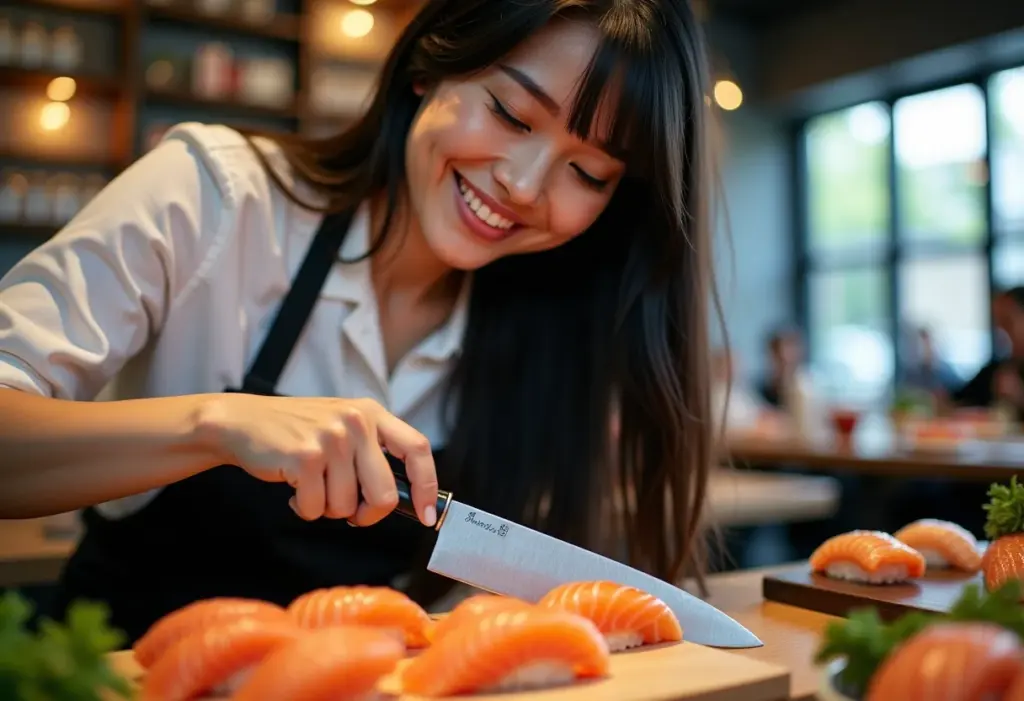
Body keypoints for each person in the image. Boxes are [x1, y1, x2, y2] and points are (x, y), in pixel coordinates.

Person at [0, 0, 723, 644]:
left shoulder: (558, 331)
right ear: (429, 67)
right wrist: (215, 425)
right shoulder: (218, 196)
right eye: (509, 113)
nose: (526, 185)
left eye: (588, 172)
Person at [954, 286, 1024, 420]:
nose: (1000, 331)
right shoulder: (1000, 368)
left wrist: (1020, 399)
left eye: (1007, 322)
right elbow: (959, 401)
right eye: (998, 323)